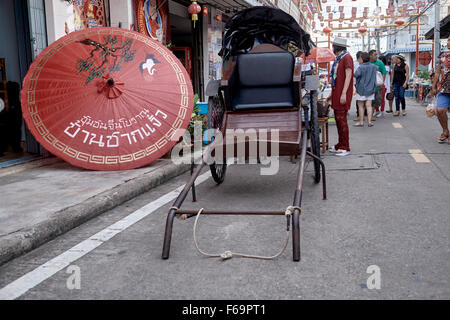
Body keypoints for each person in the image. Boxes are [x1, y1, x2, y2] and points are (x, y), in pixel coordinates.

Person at [326, 37, 353, 156]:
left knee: (342, 119)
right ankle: (340, 143)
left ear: (336, 47)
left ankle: (345, 146)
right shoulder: (339, 58)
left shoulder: (346, 57)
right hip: (337, 92)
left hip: (343, 93)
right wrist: (332, 94)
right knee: (338, 119)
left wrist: (343, 93)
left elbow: (348, 76)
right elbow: (336, 78)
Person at [431, 35, 450, 144]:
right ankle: (445, 130)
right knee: (440, 110)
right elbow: (438, 72)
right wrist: (433, 86)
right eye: (448, 40)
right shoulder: (443, 56)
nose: (448, 42)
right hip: (444, 89)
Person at [354, 52, 378, 127]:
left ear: (362, 59)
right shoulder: (374, 66)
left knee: (361, 106)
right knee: (369, 105)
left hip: (361, 89)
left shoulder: (360, 67)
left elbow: (356, 75)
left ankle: (361, 122)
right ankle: (369, 122)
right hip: (371, 89)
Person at [369, 50, 387, 118]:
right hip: (370, 85)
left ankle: (381, 111)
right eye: (375, 55)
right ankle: (375, 111)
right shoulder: (368, 63)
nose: (376, 56)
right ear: (370, 56)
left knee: (380, 99)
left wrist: (382, 82)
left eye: (376, 54)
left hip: (378, 85)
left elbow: (384, 72)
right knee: (372, 99)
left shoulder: (380, 63)